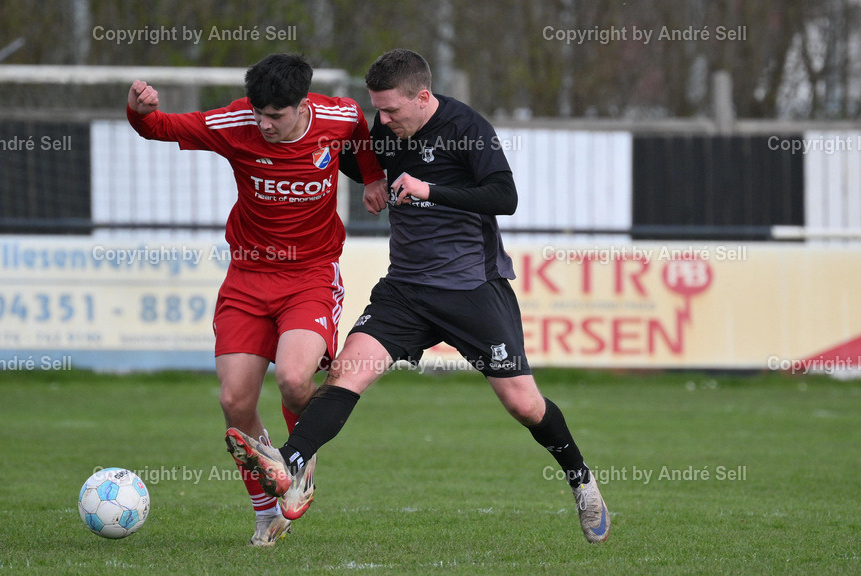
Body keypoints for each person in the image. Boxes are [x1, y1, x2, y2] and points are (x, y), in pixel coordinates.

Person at [225, 49, 610, 544]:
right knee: (346, 374)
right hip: (405, 288)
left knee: (523, 404)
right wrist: (365, 179)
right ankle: (289, 464)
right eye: (377, 111)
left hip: (472, 288)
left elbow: (504, 197)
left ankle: (580, 479)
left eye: (390, 112)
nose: (381, 122)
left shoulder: (467, 128)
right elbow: (352, 159)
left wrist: (431, 191)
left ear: (422, 96)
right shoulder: (385, 132)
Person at [127, 53, 388, 546]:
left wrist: (372, 176)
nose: (264, 124)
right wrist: (139, 112)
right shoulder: (236, 123)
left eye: (275, 115)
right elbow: (160, 128)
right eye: (258, 113)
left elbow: (358, 132)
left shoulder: (339, 116)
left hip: (310, 275)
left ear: (301, 104)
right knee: (234, 400)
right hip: (248, 277)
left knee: (293, 379)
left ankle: (299, 459)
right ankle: (267, 509)